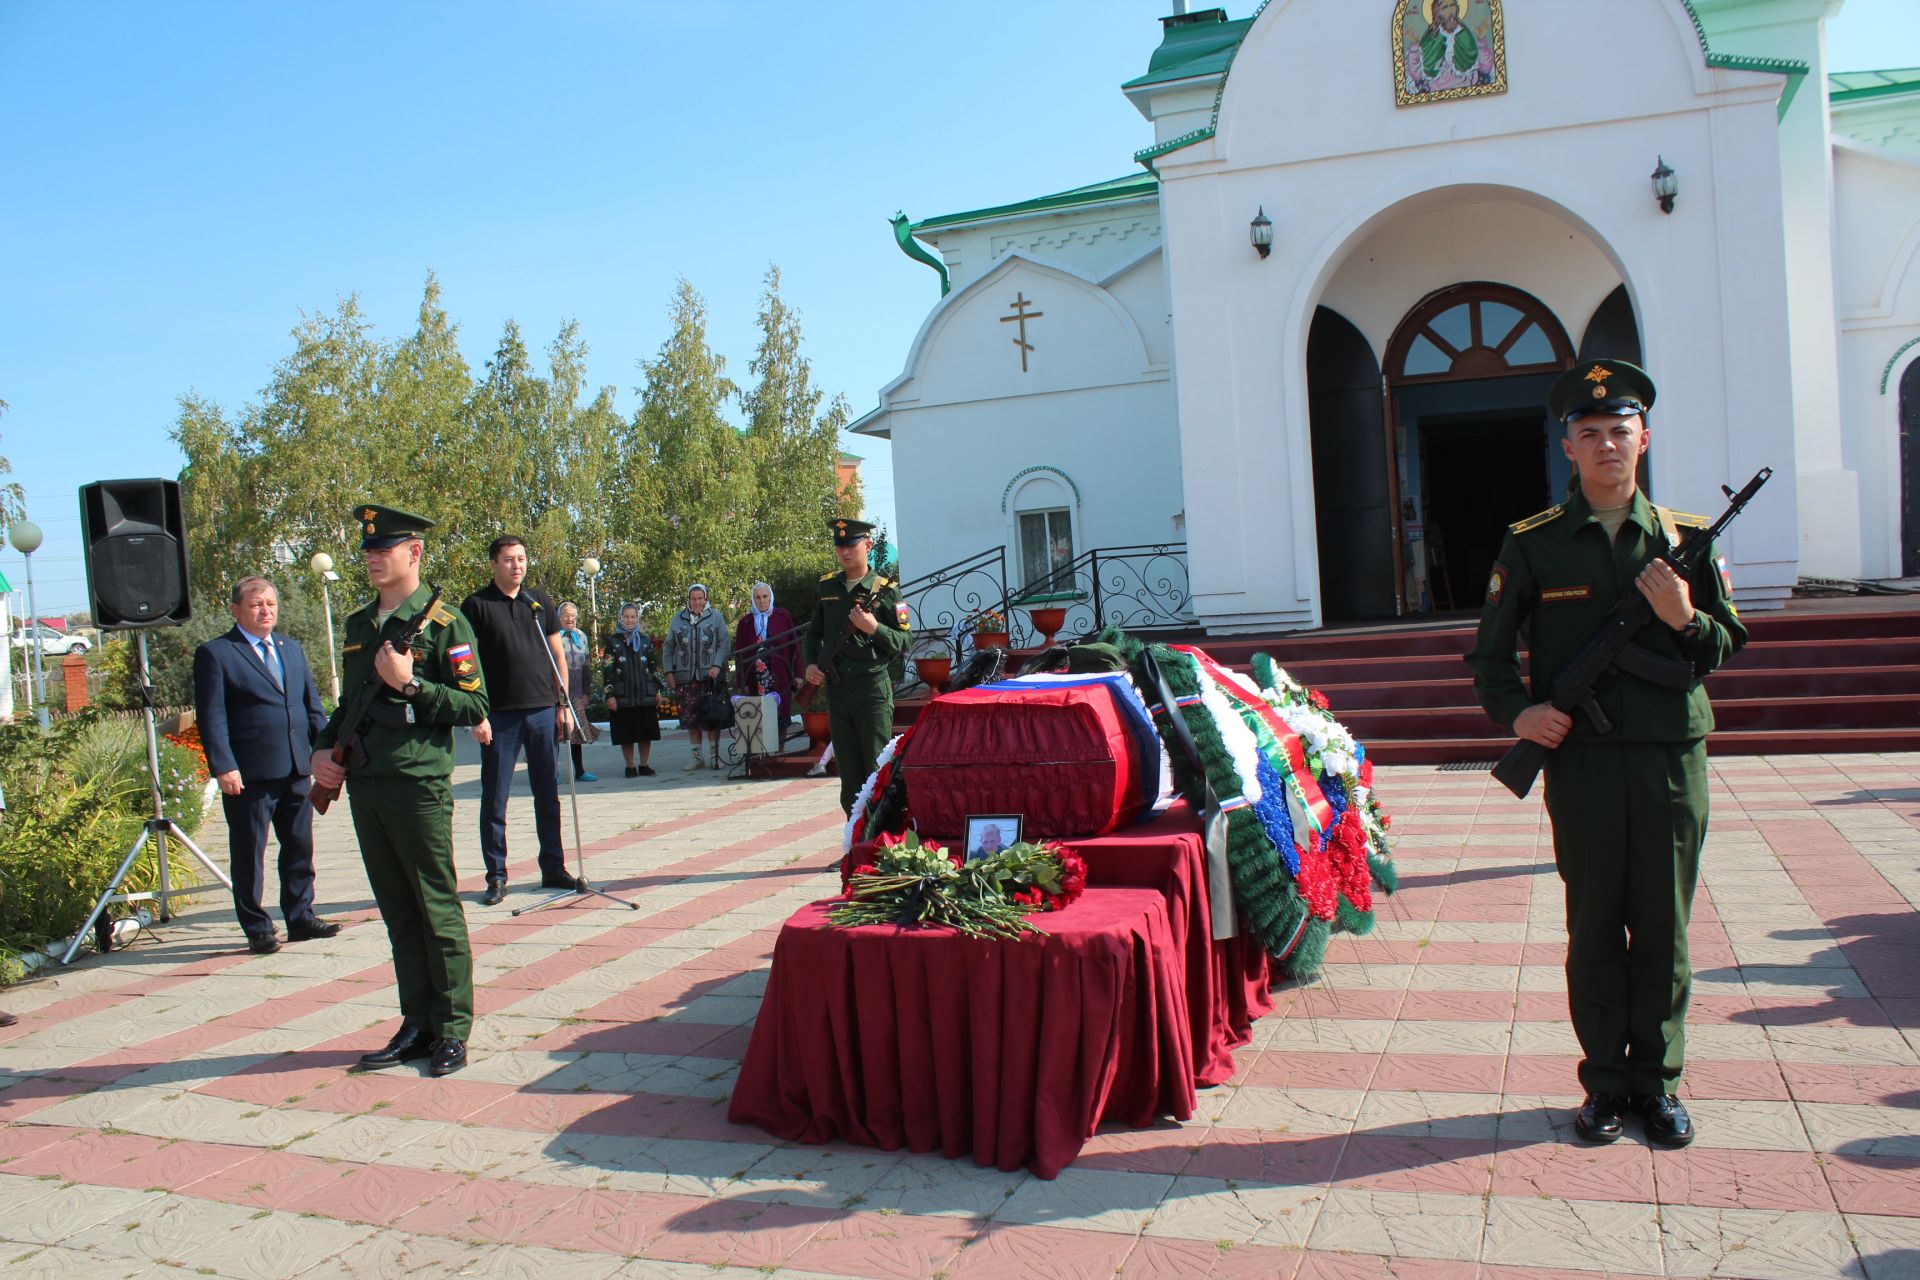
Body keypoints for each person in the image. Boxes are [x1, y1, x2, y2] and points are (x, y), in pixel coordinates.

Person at [1466, 359, 1746, 1149]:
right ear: (1568, 447)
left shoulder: (1686, 540)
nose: (1606, 446)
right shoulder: (1533, 544)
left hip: (1667, 760)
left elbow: (1725, 645)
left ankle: (1657, 1087)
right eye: (1589, 434)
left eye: (1619, 432)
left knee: (1663, 927)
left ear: (1644, 440)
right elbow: (1489, 657)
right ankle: (1604, 1086)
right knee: (1593, 927)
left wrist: (1685, 616)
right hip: (1582, 763)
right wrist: (1520, 714)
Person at [311, 503, 489, 1078]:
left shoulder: (445, 624)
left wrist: (412, 685)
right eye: (366, 550)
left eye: (381, 549)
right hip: (367, 785)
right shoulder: (361, 625)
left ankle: (453, 1028)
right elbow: (349, 705)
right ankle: (417, 1022)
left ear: (414, 553)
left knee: (436, 908)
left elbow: (475, 706)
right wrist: (322, 748)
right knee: (397, 912)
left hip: (418, 785)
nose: (370, 558)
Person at [192, 575, 336, 954]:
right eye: (256, 604)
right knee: (249, 853)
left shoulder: (292, 649)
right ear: (237, 610)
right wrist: (223, 766)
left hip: (295, 767)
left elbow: (311, 707)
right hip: (249, 774)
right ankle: (258, 927)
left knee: (299, 847)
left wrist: (327, 751)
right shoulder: (217, 653)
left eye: (270, 603)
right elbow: (212, 716)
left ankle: (301, 916)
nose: (265, 610)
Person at [460, 536, 578, 907]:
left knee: (548, 793)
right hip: (499, 715)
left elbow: (559, 655)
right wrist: (475, 712)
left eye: (522, 559)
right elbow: (465, 664)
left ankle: (553, 866)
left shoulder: (538, 602)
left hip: (543, 709)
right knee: (495, 797)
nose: (517, 566)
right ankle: (496, 875)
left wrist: (564, 705)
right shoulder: (476, 605)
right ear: (494, 563)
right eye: (509, 560)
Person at [803, 518, 911, 814]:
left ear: (867, 545)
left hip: (871, 691)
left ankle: (879, 844)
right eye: (840, 546)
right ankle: (854, 847)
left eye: (851, 545)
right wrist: (810, 664)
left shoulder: (886, 591)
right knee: (849, 777)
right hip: (839, 694)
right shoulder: (827, 586)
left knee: (876, 771)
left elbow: (905, 641)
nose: (845, 552)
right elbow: (813, 633)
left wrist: (874, 627)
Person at [664, 584, 731, 770]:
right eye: (693, 598)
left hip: (709, 677)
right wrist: (669, 671)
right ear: (688, 599)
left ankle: (715, 756)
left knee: (711, 716)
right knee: (691, 717)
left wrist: (717, 665)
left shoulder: (715, 617)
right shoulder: (678, 619)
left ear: (706, 598)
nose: (697, 602)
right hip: (685, 678)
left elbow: (724, 644)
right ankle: (696, 757)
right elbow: (669, 648)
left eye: (700, 598)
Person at [733, 581, 800, 743]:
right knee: (759, 712)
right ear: (753, 600)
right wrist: (742, 681)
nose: (762, 600)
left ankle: (780, 750)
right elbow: (740, 654)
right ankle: (762, 753)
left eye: (765, 596)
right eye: (757, 597)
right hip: (755, 675)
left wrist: (798, 674)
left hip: (779, 672)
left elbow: (794, 646)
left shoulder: (782, 616)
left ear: (771, 598)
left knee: (780, 712)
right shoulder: (746, 622)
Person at [604, 603, 662, 777]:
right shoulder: (612, 642)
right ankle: (630, 766)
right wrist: (610, 695)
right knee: (626, 733)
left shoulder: (645, 640)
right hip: (623, 695)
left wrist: (658, 692)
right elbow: (607, 669)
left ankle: (644, 765)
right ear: (621, 618)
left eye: (633, 616)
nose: (630, 620)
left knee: (646, 732)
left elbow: (653, 668)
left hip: (645, 693)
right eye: (626, 616)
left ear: (638, 618)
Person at [556, 602, 595, 784]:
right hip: (557, 693)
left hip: (577, 692)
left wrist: (587, 691)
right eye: (565, 615)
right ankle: (552, 772)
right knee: (556, 733)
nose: (569, 619)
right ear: (559, 617)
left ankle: (579, 770)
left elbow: (586, 666)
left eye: (572, 615)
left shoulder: (582, 637)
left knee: (577, 733)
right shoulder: (554, 636)